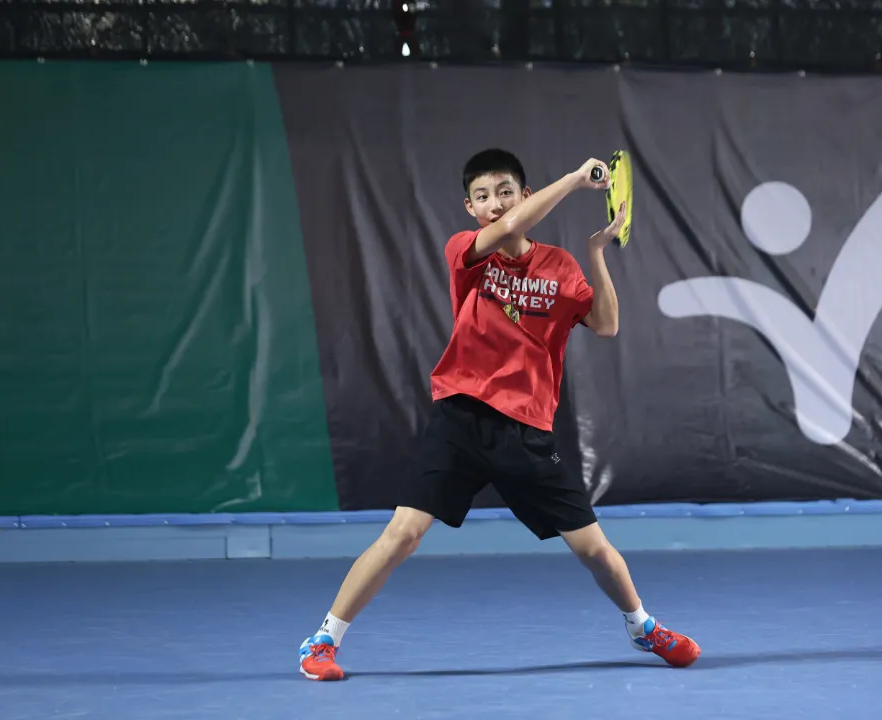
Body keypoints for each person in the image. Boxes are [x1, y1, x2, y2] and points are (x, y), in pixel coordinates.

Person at [298, 149, 700, 681]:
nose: (496, 204)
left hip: (527, 430)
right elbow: (509, 229)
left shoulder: (559, 267)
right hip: (461, 419)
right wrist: (575, 179)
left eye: (505, 192)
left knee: (594, 549)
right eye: (483, 196)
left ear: (524, 194)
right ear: (470, 208)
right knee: (403, 533)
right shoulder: (465, 251)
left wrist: (595, 253)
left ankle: (642, 627)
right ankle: (323, 640)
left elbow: (606, 325)